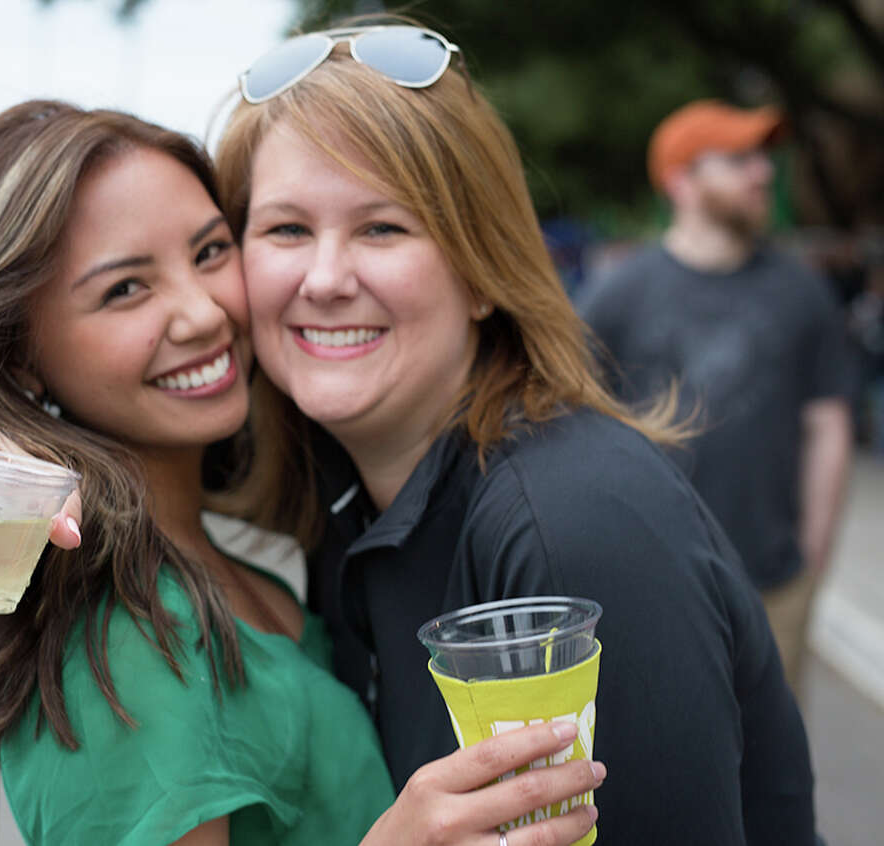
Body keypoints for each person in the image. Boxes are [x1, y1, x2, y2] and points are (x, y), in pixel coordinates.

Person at [0, 100, 604, 846]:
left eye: (211, 252)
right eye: (126, 289)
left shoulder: (196, 559)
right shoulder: (129, 638)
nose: (204, 313)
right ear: (18, 354)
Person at [203, 23, 816, 845]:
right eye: (285, 230)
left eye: (383, 228)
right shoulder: (336, 468)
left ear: (481, 271)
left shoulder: (567, 531)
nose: (324, 279)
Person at [575, 99, 856, 693]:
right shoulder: (617, 295)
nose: (764, 172)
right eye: (738, 160)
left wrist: (812, 555)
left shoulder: (802, 291)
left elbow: (829, 423)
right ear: (680, 181)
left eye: (762, 158)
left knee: (775, 769)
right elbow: (575, 432)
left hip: (775, 583)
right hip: (655, 585)